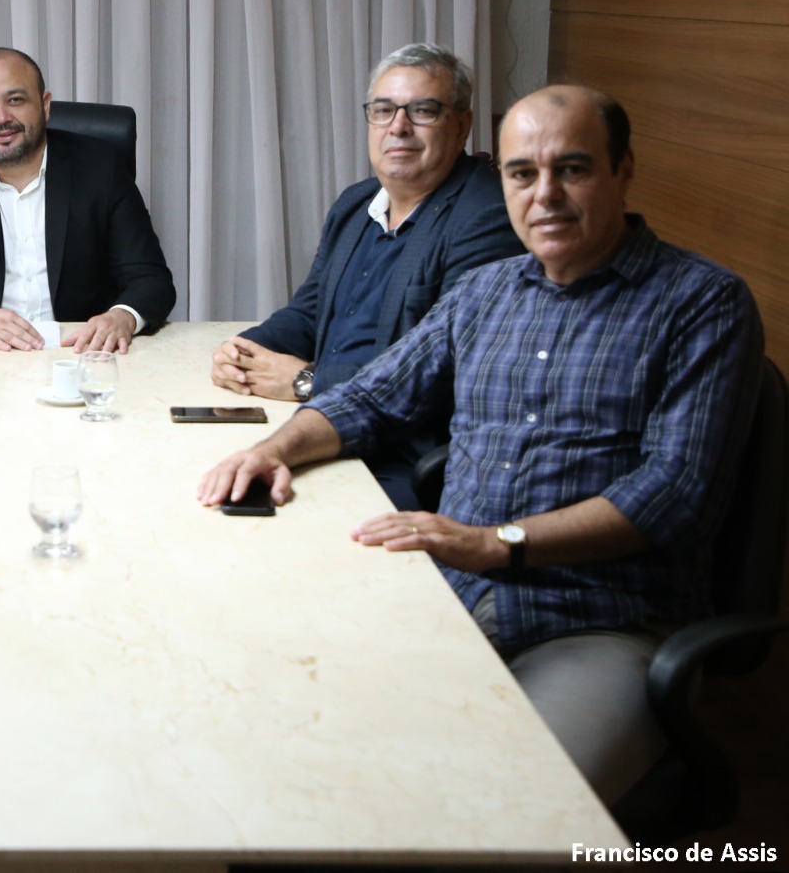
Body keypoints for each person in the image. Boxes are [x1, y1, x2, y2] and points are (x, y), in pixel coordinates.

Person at [196, 86, 762, 805]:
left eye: (573, 169)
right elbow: (372, 397)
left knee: (509, 808)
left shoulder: (702, 302)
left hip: (601, 620)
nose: (545, 195)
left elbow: (674, 494)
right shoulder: (485, 292)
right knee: (288, 749)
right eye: (523, 173)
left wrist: (497, 544)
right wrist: (275, 450)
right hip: (451, 595)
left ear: (623, 171)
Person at [210, 43, 522, 509]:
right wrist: (243, 351)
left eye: (422, 111)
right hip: (319, 426)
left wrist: (309, 381)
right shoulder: (357, 203)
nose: (398, 126)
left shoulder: (487, 217)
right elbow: (310, 310)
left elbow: (445, 371)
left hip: (398, 456)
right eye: (383, 110)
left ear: (461, 125)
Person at [0, 47, 175, 354]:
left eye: (15, 100)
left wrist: (122, 316)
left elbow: (151, 280)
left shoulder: (101, 169)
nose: (1, 118)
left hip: (80, 352)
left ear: (45, 105)